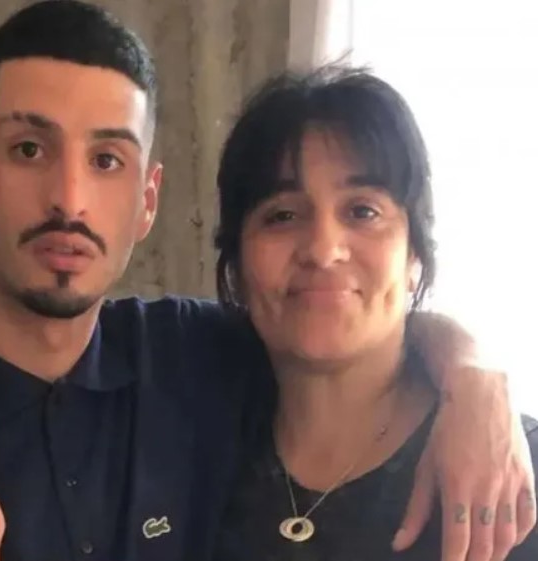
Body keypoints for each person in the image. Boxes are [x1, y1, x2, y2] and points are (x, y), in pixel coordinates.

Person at [0, 2, 532, 560]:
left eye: (107, 160)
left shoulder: (190, 357)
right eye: (28, 149)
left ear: (147, 200)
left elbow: (342, 321)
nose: (69, 199)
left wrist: (473, 378)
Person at [212, 66, 538, 561]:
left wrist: (473, 373)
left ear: (415, 255)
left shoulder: (508, 472)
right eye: (282, 215)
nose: (324, 250)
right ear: (236, 263)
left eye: (362, 211)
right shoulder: (190, 437)